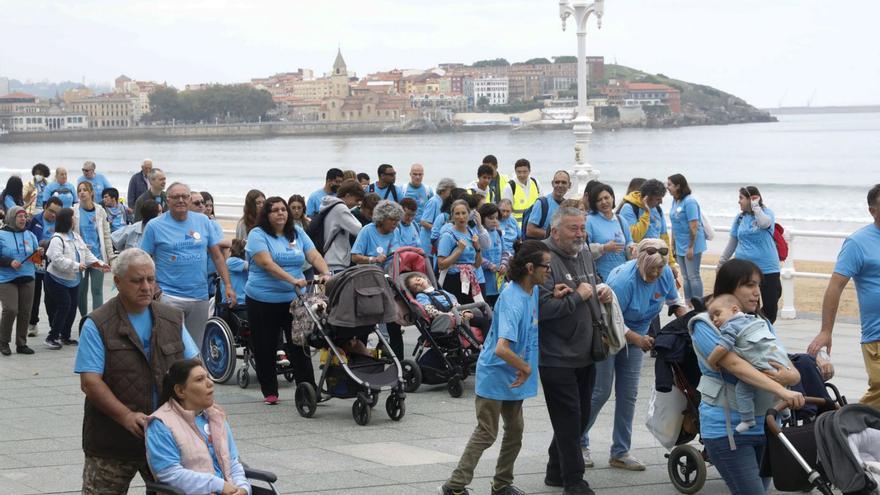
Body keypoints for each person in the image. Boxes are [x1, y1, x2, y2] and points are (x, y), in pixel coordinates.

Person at [75, 248, 200, 495]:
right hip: (112, 441)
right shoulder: (97, 323)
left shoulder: (172, 319)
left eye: (150, 279)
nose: (146, 287)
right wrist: (125, 416)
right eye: (137, 280)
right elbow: (90, 382)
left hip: (166, 438)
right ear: (118, 282)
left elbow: (194, 368)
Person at [438, 240, 550, 495]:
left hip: (513, 374)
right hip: (498, 373)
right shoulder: (513, 299)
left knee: (515, 431)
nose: (549, 272)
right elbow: (501, 348)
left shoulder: (530, 290)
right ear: (531, 268)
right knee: (487, 432)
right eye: (547, 267)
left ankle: (502, 484)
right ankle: (454, 486)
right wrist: (526, 368)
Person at [691, 258, 804, 494]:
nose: (757, 292)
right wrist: (782, 386)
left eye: (759, 285)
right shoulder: (705, 325)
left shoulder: (761, 323)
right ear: (730, 287)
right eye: (749, 285)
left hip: (767, 426)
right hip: (726, 428)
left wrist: (789, 377)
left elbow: (790, 370)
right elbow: (736, 366)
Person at [583, 238, 687, 471]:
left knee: (628, 395)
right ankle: (578, 443)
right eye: (652, 269)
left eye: (660, 268)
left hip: (637, 335)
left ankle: (620, 452)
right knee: (600, 392)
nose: (656, 274)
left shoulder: (665, 274)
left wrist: (691, 321)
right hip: (607, 333)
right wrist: (639, 339)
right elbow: (611, 318)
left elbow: (674, 302)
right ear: (640, 262)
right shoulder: (623, 281)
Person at [537, 207, 611, 495]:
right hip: (555, 355)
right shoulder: (541, 258)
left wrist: (600, 289)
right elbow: (541, 307)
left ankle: (556, 470)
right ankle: (573, 481)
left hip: (587, 349)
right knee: (568, 418)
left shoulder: (584, 251)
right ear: (555, 231)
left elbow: (589, 285)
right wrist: (578, 297)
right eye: (573, 228)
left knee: (579, 417)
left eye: (582, 227)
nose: (580, 233)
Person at [245, 196, 330, 405]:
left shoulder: (297, 233)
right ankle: (270, 391)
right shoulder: (257, 235)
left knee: (299, 344)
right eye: (275, 210)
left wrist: (326, 273)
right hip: (262, 299)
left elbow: (314, 255)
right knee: (265, 345)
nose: (281, 213)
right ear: (266, 214)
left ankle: (308, 389)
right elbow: (266, 263)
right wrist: (293, 279)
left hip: (294, 299)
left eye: (283, 209)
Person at [808, 184, 880, 408]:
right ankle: (840, 424)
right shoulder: (857, 243)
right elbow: (835, 287)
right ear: (872, 210)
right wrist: (826, 331)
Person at [140, 183, 235, 347]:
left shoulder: (203, 221)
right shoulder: (154, 226)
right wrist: (154, 288)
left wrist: (227, 285)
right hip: (169, 296)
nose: (181, 200)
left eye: (185, 196)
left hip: (199, 295)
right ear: (167, 200)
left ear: (190, 199)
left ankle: (193, 373)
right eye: (176, 197)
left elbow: (217, 256)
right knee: (170, 346)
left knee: (195, 346)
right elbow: (143, 259)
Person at [146, 359, 250, 495]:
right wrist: (218, 485)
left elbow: (233, 462)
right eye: (200, 379)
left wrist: (243, 489)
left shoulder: (216, 416)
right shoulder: (160, 424)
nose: (210, 383)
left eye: (207, 377)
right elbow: (170, 474)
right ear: (180, 391)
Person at [706, 294, 793, 432]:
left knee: (743, 390)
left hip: (759, 363)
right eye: (711, 318)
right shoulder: (753, 319)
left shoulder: (730, 326)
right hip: (777, 358)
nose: (715, 320)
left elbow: (723, 347)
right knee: (778, 383)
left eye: (717, 314)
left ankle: (747, 419)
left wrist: (711, 361)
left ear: (734, 310)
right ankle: (785, 409)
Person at [44, 208, 110, 349]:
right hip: (56, 279)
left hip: (73, 280)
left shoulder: (76, 237)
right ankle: (52, 337)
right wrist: (76, 265)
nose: (75, 219)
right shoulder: (57, 239)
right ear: (67, 220)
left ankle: (65, 336)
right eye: (73, 217)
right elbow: (56, 259)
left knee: (72, 307)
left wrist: (101, 264)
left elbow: (86, 254)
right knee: (64, 305)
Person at [718, 186, 782, 322]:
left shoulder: (766, 213)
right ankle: (754, 335)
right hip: (745, 270)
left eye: (741, 198)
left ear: (751, 199)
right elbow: (733, 241)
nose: (739, 202)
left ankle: (762, 328)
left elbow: (764, 224)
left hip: (768, 268)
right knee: (749, 308)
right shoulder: (740, 218)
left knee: (771, 309)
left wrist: (756, 207)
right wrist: (722, 262)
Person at [351, 200, 404, 358]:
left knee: (393, 323)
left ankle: (398, 360)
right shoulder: (367, 231)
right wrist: (372, 260)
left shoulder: (394, 232)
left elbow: (396, 253)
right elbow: (354, 256)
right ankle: (360, 359)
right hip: (368, 283)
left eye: (397, 220)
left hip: (387, 282)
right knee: (366, 325)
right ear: (381, 219)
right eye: (392, 220)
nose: (395, 223)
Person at [0, 206, 41, 357]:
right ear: (11, 218)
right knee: (11, 309)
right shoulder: (1, 234)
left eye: (25, 216)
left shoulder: (30, 235)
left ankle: (21, 343)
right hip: (6, 278)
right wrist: (9, 261)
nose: (23, 219)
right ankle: (3, 342)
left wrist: (39, 253)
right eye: (20, 216)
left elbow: (37, 257)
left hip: (28, 276)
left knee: (25, 312)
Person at [75, 181, 114, 317]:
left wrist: (110, 257)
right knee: (81, 291)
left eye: (85, 190)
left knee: (97, 290)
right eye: (79, 190)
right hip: (81, 258)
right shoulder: (74, 211)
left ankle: (97, 320)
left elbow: (106, 235)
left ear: (92, 192)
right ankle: (84, 318)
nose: (82, 192)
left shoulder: (100, 210)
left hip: (98, 256)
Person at [26, 197, 62, 338]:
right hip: (35, 263)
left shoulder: (60, 223)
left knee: (51, 297)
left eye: (56, 213)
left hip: (52, 264)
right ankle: (32, 323)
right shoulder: (34, 220)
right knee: (34, 296)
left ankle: (54, 326)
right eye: (51, 211)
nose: (53, 215)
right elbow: (26, 238)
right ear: (45, 207)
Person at [667, 174, 706, 303]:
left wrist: (691, 247)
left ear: (678, 186)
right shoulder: (675, 200)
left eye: (670, 185)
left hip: (692, 244)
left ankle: (698, 303)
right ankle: (688, 302)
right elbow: (674, 225)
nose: (668, 188)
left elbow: (694, 227)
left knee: (693, 276)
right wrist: (672, 245)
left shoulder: (690, 201)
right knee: (685, 276)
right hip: (679, 244)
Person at [437, 199, 483, 305]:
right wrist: (458, 250)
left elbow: (477, 264)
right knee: (459, 316)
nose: (461, 217)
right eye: (457, 214)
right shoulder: (448, 236)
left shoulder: (472, 233)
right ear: (452, 216)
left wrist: (478, 248)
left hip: (469, 280)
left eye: (464, 213)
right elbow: (441, 264)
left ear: (468, 214)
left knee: (474, 315)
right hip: (453, 281)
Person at [586, 183, 633, 282]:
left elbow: (629, 242)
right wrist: (603, 248)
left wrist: (633, 248)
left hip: (623, 274)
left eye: (606, 198)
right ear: (594, 203)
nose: (604, 202)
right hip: (601, 276)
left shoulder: (621, 219)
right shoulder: (589, 221)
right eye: (599, 200)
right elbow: (583, 249)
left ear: (612, 198)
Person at [319, 179, 364, 273]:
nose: (357, 204)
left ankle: (319, 289)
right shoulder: (340, 208)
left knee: (321, 287)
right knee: (337, 288)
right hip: (335, 263)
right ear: (347, 195)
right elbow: (359, 230)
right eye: (357, 200)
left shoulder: (330, 205)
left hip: (324, 261)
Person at [525, 170, 570, 240]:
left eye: (564, 182)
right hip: (542, 248)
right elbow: (529, 230)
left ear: (569, 185)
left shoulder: (567, 205)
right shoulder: (542, 203)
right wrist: (553, 234)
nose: (560, 185)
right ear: (552, 184)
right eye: (557, 182)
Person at [419, 177, 456, 261]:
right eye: (451, 191)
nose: (452, 194)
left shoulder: (443, 202)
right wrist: (439, 229)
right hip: (428, 245)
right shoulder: (433, 202)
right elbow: (423, 222)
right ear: (443, 190)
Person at [502, 158, 541, 226]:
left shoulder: (535, 183)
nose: (522, 175)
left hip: (535, 225)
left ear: (529, 171)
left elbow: (542, 204)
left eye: (525, 172)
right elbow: (505, 212)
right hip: (517, 228)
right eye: (519, 172)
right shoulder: (510, 186)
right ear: (515, 172)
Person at [479, 203, 504, 308]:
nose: (494, 221)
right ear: (482, 218)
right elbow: (475, 255)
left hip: (499, 283)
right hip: (485, 281)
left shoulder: (498, 233)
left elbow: (505, 252)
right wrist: (488, 265)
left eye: (496, 218)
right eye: (490, 218)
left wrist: (504, 264)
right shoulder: (479, 234)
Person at [223, 239, 247, 307]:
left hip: (241, 302)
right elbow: (252, 266)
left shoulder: (238, 262)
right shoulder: (232, 261)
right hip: (236, 302)